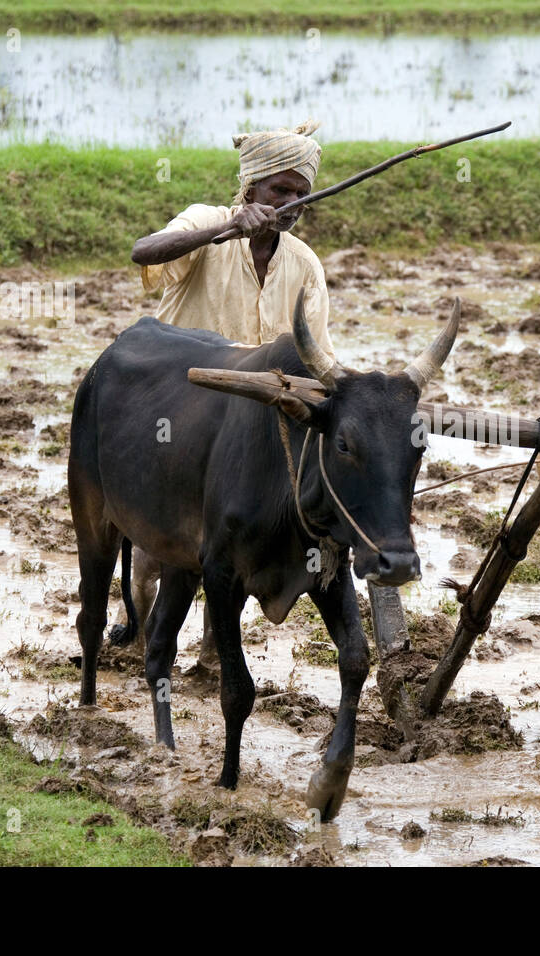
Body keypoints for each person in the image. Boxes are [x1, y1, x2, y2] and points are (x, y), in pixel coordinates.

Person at [117, 120, 333, 675]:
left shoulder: (304, 265)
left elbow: (320, 360)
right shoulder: (208, 225)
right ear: (250, 188)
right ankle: (141, 636)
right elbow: (145, 251)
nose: (290, 203)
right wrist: (229, 228)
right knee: (156, 551)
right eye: (278, 191)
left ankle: (213, 653)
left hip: (252, 424)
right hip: (183, 412)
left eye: (300, 193)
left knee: (228, 542)